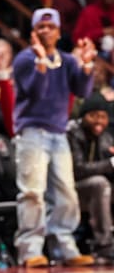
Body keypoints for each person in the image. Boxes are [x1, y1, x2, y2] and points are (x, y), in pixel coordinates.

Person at [12, 8, 95, 267]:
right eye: (41, 27)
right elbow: (35, 92)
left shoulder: (68, 60)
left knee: (67, 193)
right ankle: (30, 249)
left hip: (59, 133)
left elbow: (82, 91)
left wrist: (87, 65)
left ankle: (65, 246)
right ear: (33, 32)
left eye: (50, 27)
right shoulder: (24, 59)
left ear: (59, 32)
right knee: (33, 192)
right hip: (32, 132)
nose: (45, 30)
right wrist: (40, 63)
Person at [66, 93, 114, 262]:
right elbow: (77, 170)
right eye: (93, 116)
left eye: (103, 117)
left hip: (96, 188)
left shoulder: (106, 137)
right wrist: (110, 164)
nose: (98, 121)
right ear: (83, 116)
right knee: (100, 184)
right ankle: (104, 245)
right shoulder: (71, 133)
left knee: (102, 184)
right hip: (70, 187)